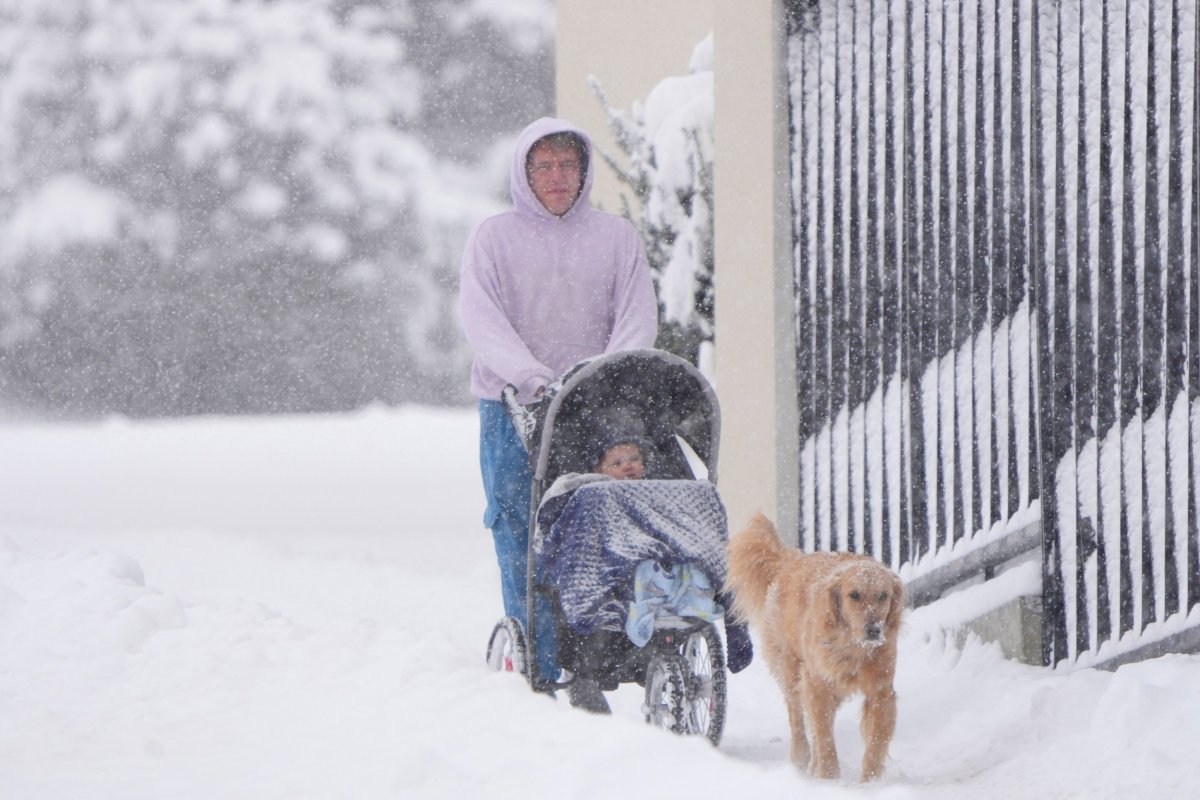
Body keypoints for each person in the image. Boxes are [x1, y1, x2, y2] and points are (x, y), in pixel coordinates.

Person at [458, 118, 659, 700]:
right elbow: (482, 318)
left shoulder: (616, 238)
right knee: (521, 524)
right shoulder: (493, 239)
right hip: (513, 405)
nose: (555, 177)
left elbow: (636, 312)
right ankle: (540, 660)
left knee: (594, 527)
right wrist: (529, 376)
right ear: (523, 173)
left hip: (597, 404)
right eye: (542, 166)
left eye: (567, 165)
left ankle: (600, 649)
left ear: (584, 170)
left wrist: (609, 373)